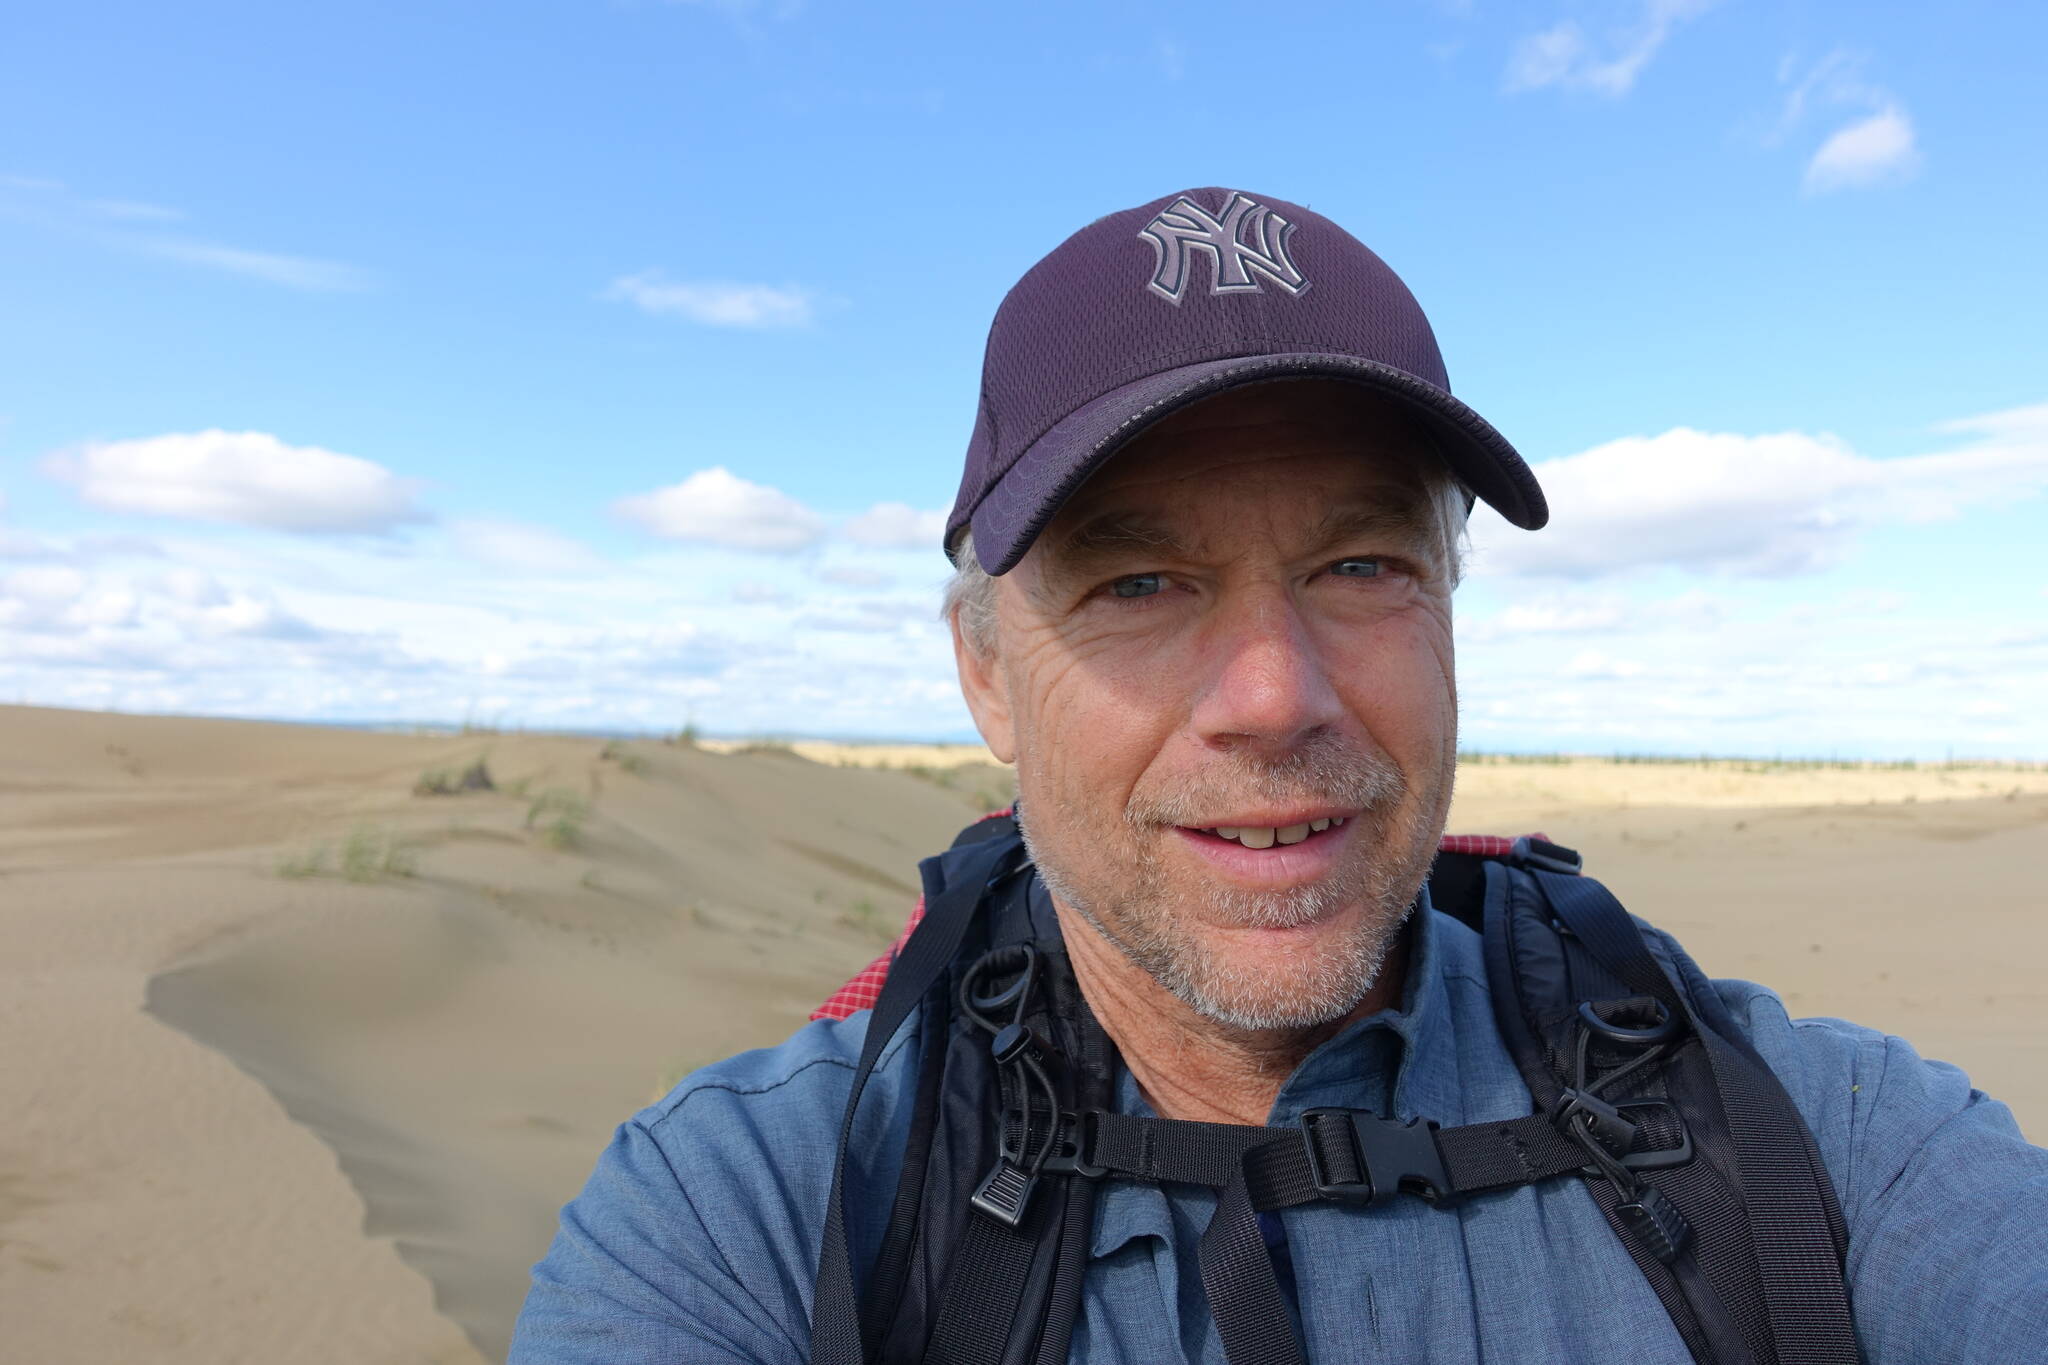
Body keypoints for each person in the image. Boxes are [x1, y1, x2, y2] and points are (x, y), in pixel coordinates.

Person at [508, 188, 2048, 1363]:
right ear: (985, 671)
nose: (1275, 695)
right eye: (1139, 584)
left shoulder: (1818, 1149)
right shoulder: (752, 1215)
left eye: (1365, 563)